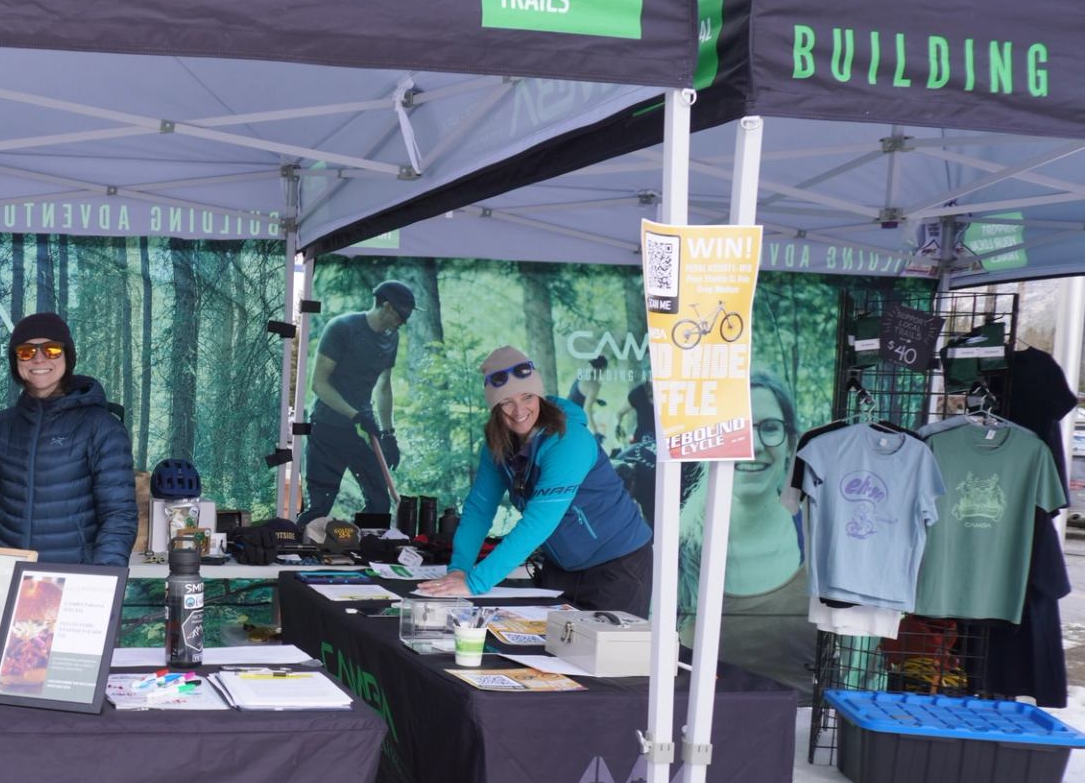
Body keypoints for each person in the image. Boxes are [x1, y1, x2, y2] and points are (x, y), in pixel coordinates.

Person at [422, 346, 654, 615]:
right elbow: (479, 510)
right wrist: (458, 571)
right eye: (506, 401)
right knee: (543, 651)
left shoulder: (570, 442)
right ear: (495, 406)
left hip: (617, 565)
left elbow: (540, 521)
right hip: (561, 567)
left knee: (601, 655)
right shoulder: (496, 445)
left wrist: (475, 583)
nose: (519, 410)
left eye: (528, 396)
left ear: (540, 397)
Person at [0, 312, 136, 565]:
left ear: (68, 356)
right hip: (8, 577)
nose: (39, 358)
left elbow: (118, 516)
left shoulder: (101, 427)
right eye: (26, 352)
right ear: (16, 361)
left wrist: (103, 580)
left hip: (72, 582)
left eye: (52, 350)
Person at [680, 373, 814, 692]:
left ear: (791, 441)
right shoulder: (677, 545)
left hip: (802, 728)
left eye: (769, 427)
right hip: (694, 726)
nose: (752, 445)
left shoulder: (820, 538)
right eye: (735, 430)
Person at [299, 279, 413, 524]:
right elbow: (319, 384)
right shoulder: (343, 328)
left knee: (380, 503)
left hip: (360, 432)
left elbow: (383, 386)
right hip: (326, 429)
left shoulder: (392, 337)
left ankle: (368, 554)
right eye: (403, 314)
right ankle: (297, 555)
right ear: (387, 306)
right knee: (319, 508)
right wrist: (357, 416)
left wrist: (388, 434)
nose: (405, 321)